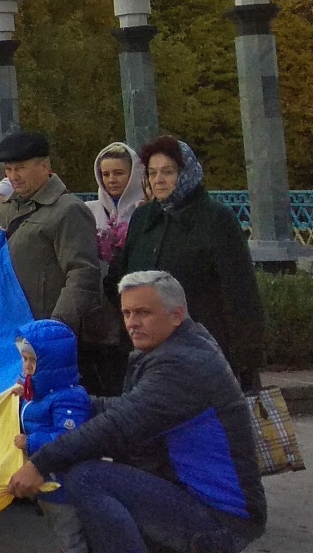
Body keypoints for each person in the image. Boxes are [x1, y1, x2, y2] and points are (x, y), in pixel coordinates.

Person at [11, 271, 266, 553]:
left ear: (176, 315)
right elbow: (126, 408)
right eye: (127, 313)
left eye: (144, 313)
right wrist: (62, 402)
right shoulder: (177, 347)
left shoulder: (182, 365)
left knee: (87, 477)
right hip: (192, 498)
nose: (132, 323)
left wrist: (39, 464)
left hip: (220, 519)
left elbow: (117, 427)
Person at [105, 137, 265, 390]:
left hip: (203, 354)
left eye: (168, 172)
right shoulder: (144, 218)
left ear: (187, 173)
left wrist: (246, 359)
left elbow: (240, 292)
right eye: (152, 173)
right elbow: (122, 279)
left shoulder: (216, 219)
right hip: (148, 354)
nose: (158, 180)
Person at [0, 131, 115, 391]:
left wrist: (56, 329)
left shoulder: (68, 209)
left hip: (48, 335)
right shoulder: (4, 209)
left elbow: (82, 273)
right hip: (10, 333)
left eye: (21, 168)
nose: (13, 176)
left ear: (45, 167)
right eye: (8, 170)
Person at [14, 319, 93, 553]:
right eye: (24, 359)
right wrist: (24, 394)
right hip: (48, 483)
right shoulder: (40, 393)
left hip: (64, 488)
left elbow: (70, 438)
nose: (27, 366)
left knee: (70, 538)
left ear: (52, 363)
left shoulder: (70, 398)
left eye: (33, 360)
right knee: (59, 533)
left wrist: (30, 442)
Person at [91, 142, 146, 265]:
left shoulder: (146, 210)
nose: (111, 180)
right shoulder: (89, 211)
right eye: (106, 174)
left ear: (133, 174)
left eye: (118, 173)